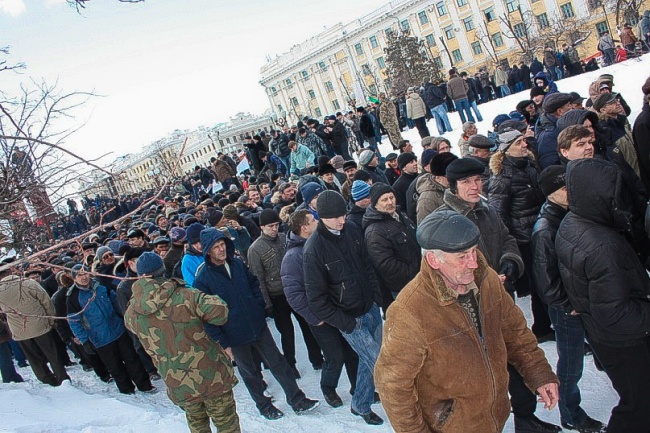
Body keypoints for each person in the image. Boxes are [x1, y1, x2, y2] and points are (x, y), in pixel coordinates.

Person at [374, 210, 559, 432]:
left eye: (473, 251)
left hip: (493, 418)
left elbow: (515, 332)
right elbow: (393, 385)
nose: (473, 263)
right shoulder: (409, 311)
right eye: (462, 257)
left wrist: (539, 373)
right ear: (433, 260)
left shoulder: (487, 279)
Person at [556, 158, 650, 433]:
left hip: (604, 335)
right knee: (639, 406)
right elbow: (614, 313)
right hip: (624, 341)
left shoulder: (573, 221)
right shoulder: (601, 244)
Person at [193, 228, 318, 420]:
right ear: (207, 251)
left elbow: (254, 283)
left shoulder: (237, 264)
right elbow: (205, 316)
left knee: (278, 361)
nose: (221, 249)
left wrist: (258, 305)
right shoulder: (202, 279)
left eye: (222, 244)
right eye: (216, 247)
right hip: (234, 335)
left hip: (256, 325)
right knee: (250, 372)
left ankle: (297, 399)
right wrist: (223, 344)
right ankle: (263, 405)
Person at [125, 252, 241, 433]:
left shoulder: (132, 313)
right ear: (162, 271)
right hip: (211, 376)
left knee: (197, 426)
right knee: (227, 426)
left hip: (178, 382)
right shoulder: (186, 295)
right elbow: (220, 313)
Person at [531, 166, 607, 433]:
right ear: (551, 194)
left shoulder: (569, 213)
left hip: (586, 300)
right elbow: (545, 280)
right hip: (568, 309)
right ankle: (571, 413)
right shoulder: (544, 228)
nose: (570, 192)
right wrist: (568, 305)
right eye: (563, 189)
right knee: (571, 364)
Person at [304, 191, 384, 425]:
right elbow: (316, 300)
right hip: (350, 319)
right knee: (378, 362)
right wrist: (347, 323)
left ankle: (359, 404)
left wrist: (375, 298)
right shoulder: (314, 249)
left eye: (344, 214)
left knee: (368, 362)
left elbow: (367, 265)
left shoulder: (351, 230)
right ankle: (402, 402)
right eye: (336, 217)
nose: (342, 220)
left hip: (369, 308)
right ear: (321, 217)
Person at [281, 209, 359, 409]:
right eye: (313, 220)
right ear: (304, 228)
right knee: (334, 357)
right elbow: (294, 295)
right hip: (321, 317)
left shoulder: (320, 242)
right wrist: (315, 318)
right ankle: (328, 388)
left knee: (351, 350)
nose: (318, 222)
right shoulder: (293, 257)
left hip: (338, 309)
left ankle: (358, 387)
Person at [489, 128, 554, 343]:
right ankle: (543, 327)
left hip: (544, 229)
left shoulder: (530, 164)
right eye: (518, 143)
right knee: (540, 285)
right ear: (506, 150)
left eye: (524, 140)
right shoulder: (502, 177)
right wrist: (513, 244)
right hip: (526, 240)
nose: (525, 145)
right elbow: (499, 216)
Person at [247, 209, 323, 377]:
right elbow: (258, 278)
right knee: (287, 332)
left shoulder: (283, 239)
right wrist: (266, 304)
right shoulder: (255, 249)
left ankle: (316, 357)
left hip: (295, 291)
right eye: (270, 226)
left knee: (307, 325)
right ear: (261, 227)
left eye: (276, 225)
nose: (274, 229)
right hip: (277, 296)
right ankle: (290, 364)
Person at [67, 264, 154, 394]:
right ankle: (127, 390)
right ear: (74, 278)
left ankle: (145, 385)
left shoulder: (101, 286)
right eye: (79, 275)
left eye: (85, 273)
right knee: (115, 366)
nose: (84, 277)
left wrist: (126, 320)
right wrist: (85, 340)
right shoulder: (73, 297)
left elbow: (116, 303)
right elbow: (74, 321)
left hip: (118, 330)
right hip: (100, 339)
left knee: (132, 359)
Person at [0, 270, 69, 386]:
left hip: (19, 330)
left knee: (33, 359)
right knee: (52, 354)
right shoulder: (29, 283)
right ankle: (62, 378)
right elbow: (46, 301)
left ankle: (47, 379)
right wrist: (51, 319)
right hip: (40, 325)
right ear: (10, 273)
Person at [362, 183, 420, 301]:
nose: (390, 202)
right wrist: (415, 271)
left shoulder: (400, 214)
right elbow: (387, 266)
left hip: (418, 279)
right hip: (404, 287)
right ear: (375, 204)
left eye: (391, 197)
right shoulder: (374, 232)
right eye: (384, 200)